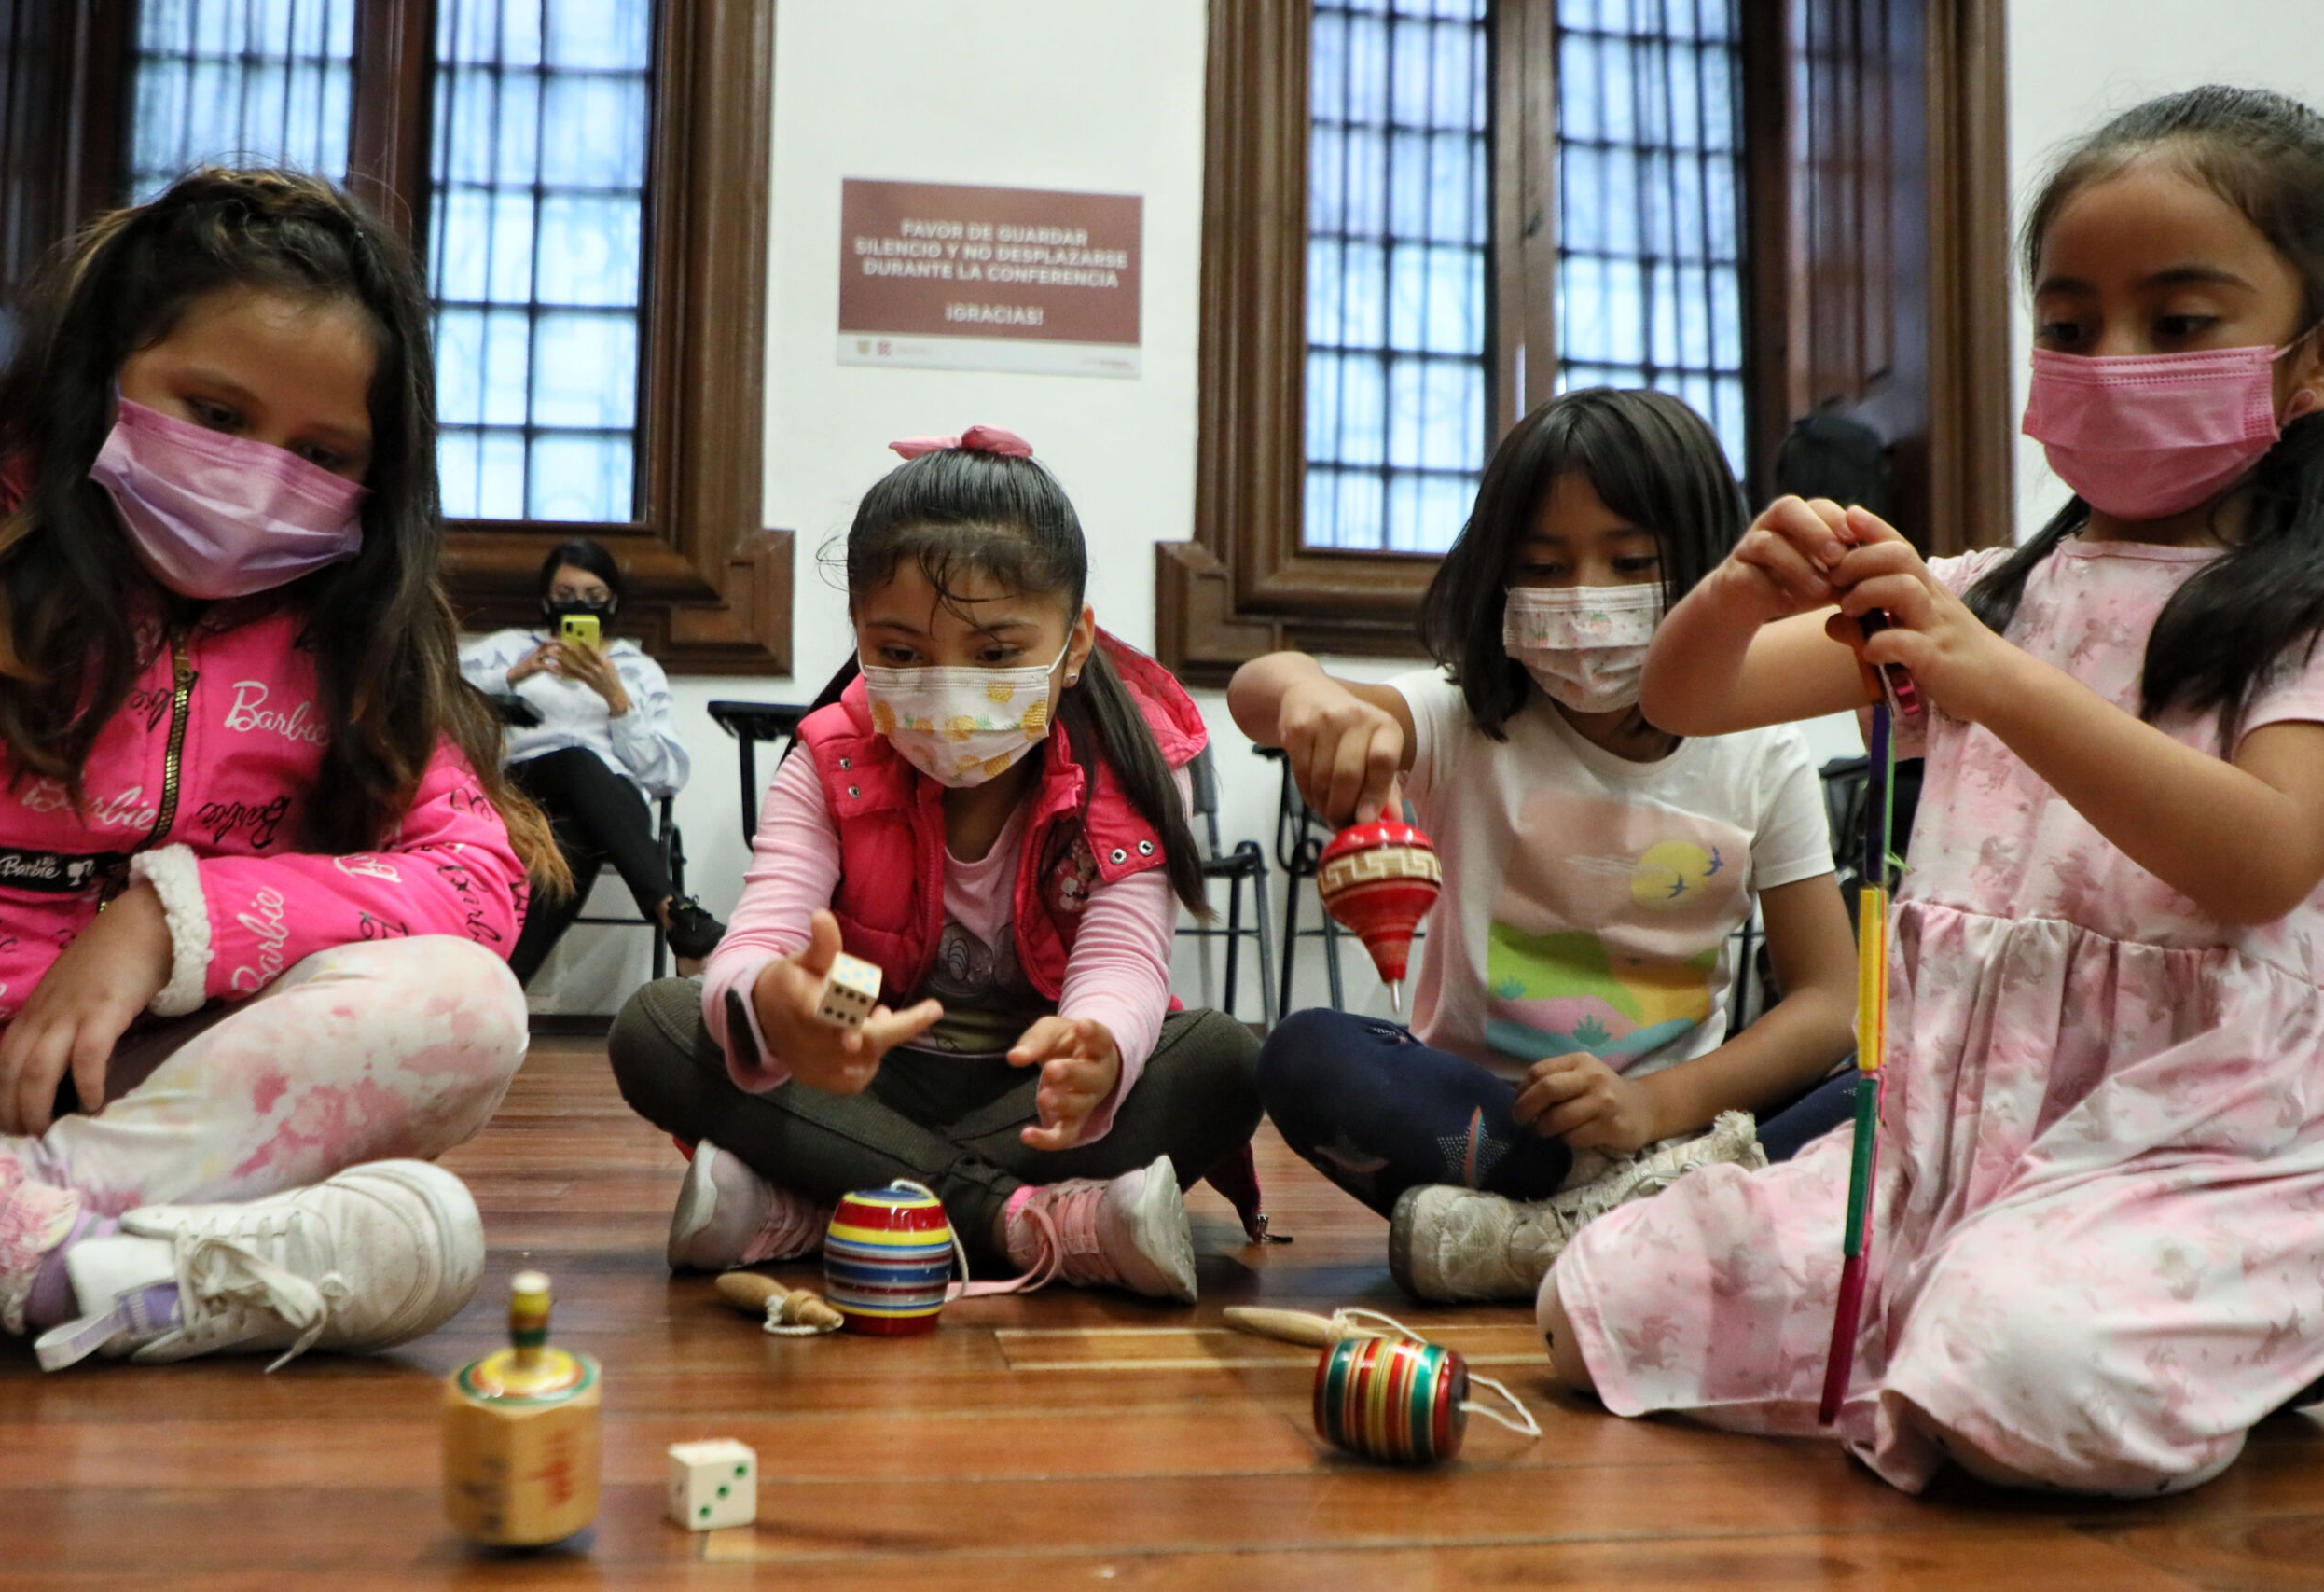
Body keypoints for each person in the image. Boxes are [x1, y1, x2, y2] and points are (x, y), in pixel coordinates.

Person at [1541, 86, 2324, 1497]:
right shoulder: (1990, 591)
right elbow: (1679, 700)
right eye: (2071, 324)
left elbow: (2266, 858)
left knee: (2010, 1358)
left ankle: (2260, 1313)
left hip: (2192, 1147)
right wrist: (1733, 592)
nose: (2112, 358)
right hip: (1940, 1154)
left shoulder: (2295, 613)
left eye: (2182, 322)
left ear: (2313, 362)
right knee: (1604, 1297)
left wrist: (1987, 674)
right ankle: (2020, 1306)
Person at [0, 169, 556, 1371]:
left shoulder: (349, 627)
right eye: (215, 416)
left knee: (467, 1008)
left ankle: (8, 1238)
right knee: (407, 1235)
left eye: (322, 453)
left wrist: (171, 923)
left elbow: (478, 881)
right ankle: (130, 1280)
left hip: (154, 1100)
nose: (260, 476)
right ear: (102, 369)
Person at [1228, 388, 1857, 1301]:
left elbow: (1829, 1000)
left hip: (1681, 1128)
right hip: (1488, 1129)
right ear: (1498, 579)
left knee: (1885, 1093)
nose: (1584, 599)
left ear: (1716, 574)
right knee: (1304, 1055)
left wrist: (1652, 1106)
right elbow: (1256, 689)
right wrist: (1302, 690)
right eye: (1543, 567)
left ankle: (1538, 1240)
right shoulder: (1457, 720)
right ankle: (1637, 1225)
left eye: (1631, 561)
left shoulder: (1762, 750)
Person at [608, 427, 1262, 1301]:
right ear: (858, 637)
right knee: (658, 1023)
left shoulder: (1128, 773)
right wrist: (775, 1005)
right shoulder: (829, 758)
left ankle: (818, 1206)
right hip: (863, 1072)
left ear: (1074, 646)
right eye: (904, 655)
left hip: (1027, 1097)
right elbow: (763, 937)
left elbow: (1124, 961)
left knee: (1221, 1058)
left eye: (996, 654)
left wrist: (1097, 1044)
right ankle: (1034, 1224)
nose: (949, 689)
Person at [460, 539, 725, 981]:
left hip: (607, 807)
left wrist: (616, 697)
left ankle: (498, 989)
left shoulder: (637, 669)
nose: (578, 605)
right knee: (575, 760)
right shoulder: (509, 648)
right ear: (546, 601)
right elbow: (440, 700)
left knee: (576, 832)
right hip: (521, 791)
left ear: (612, 602)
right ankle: (677, 913)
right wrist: (515, 674)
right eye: (565, 597)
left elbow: (665, 776)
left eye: (593, 597)